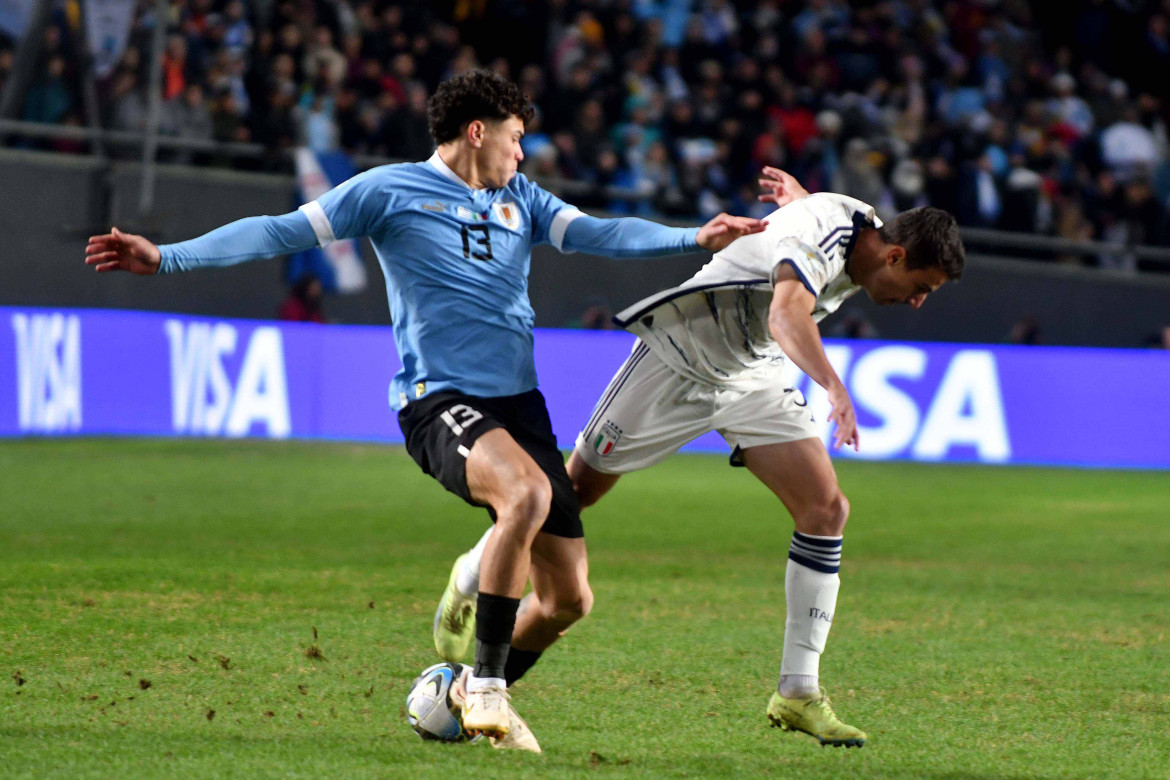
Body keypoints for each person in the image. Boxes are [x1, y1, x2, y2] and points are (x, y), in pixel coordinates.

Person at [83, 69, 763, 753]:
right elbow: (277, 231)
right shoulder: (388, 191)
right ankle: (491, 687)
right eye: (516, 139)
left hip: (520, 407)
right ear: (478, 132)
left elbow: (600, 232)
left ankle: (467, 664)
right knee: (523, 494)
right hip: (439, 401)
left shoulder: (519, 198)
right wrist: (166, 258)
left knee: (569, 601)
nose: (522, 155)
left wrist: (692, 240)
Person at [433, 167, 965, 748]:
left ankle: (797, 691)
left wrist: (795, 204)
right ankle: (474, 568)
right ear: (893, 255)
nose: (916, 302)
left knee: (826, 509)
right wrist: (834, 387)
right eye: (922, 286)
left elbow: (816, 225)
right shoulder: (825, 231)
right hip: (679, 357)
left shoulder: (854, 225)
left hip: (752, 376)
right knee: (571, 494)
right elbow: (786, 313)